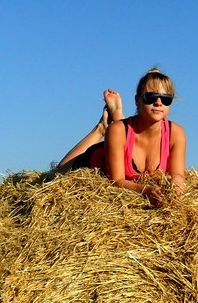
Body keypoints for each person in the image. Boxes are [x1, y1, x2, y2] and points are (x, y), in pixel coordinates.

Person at [57, 68, 186, 207]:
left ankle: (118, 116)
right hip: (99, 157)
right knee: (57, 173)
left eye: (166, 98)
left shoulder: (176, 133)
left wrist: (176, 191)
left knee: (121, 129)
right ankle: (102, 128)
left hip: (124, 141)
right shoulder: (117, 131)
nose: (159, 102)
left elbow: (178, 175)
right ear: (137, 101)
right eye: (151, 97)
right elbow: (116, 180)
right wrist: (145, 190)